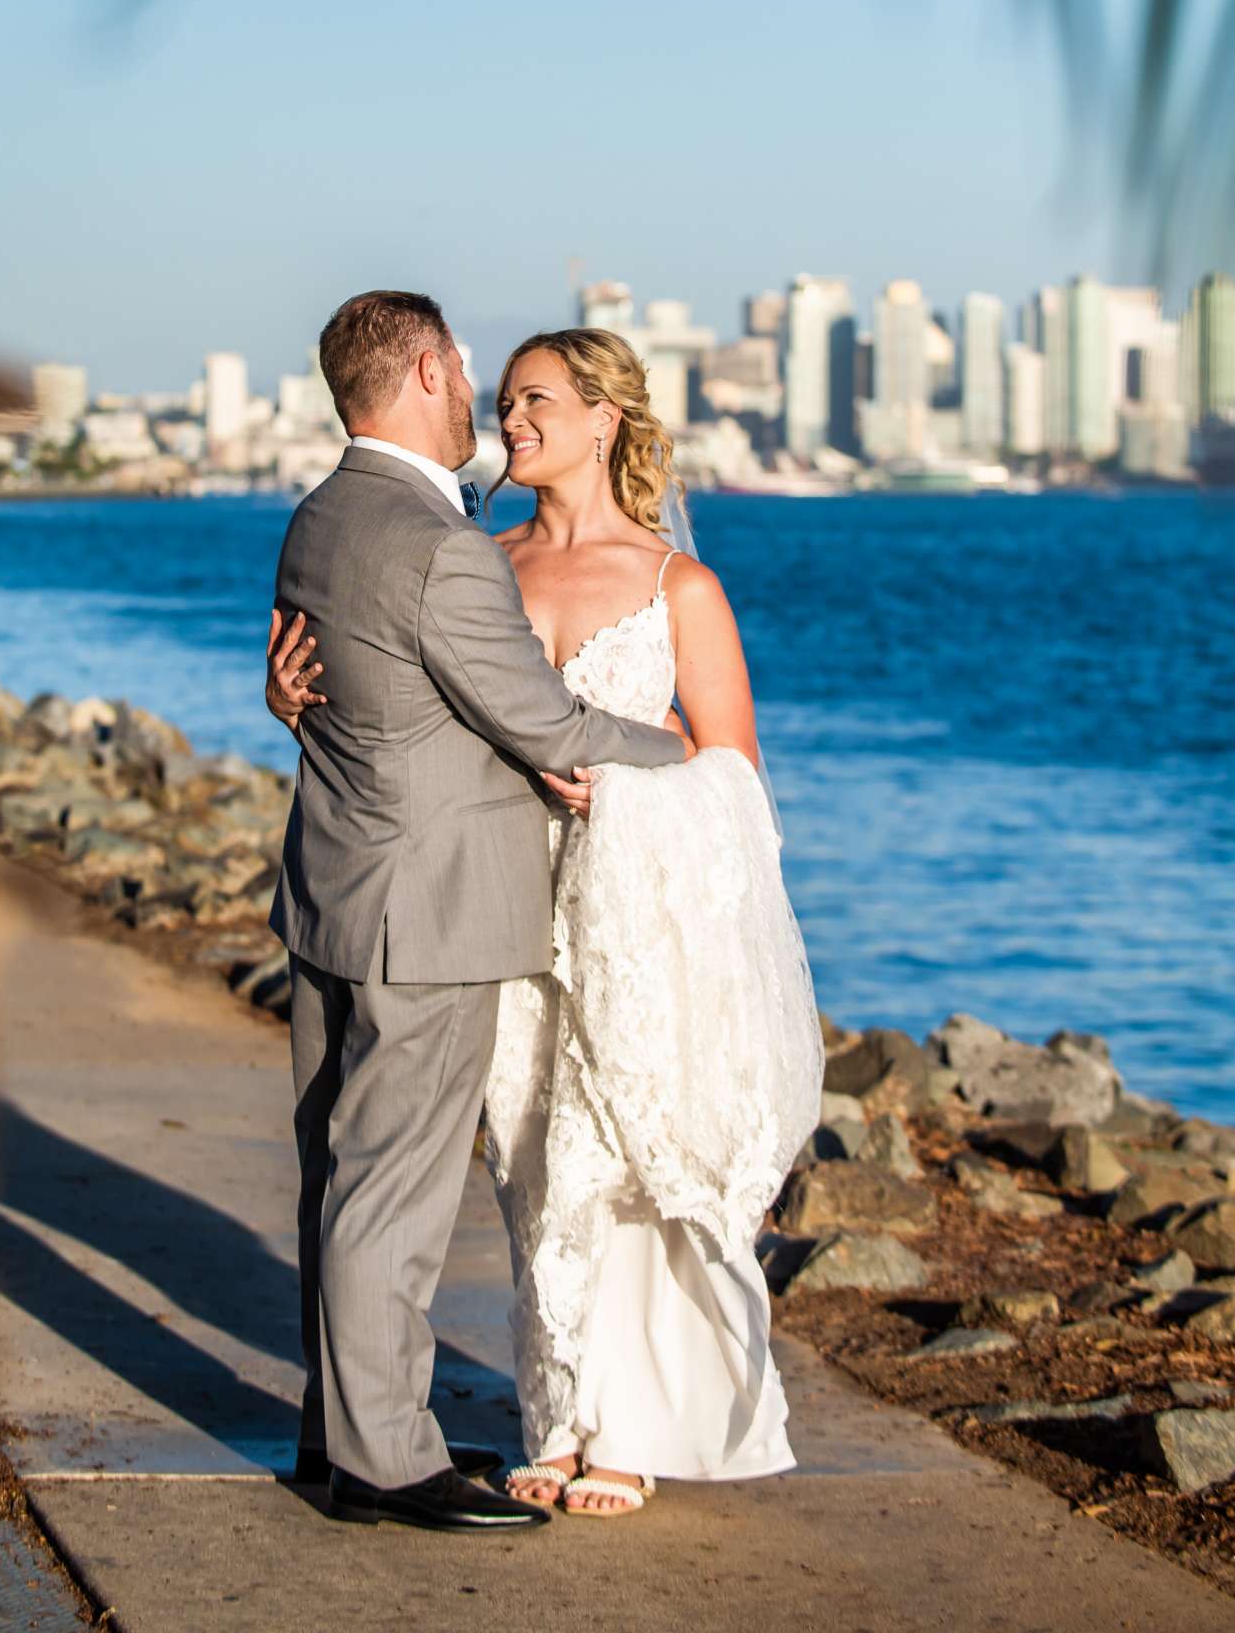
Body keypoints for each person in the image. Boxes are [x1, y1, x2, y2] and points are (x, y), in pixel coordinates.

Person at [270, 321, 825, 1523]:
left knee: (616, 1149)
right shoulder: (477, 556)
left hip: (627, 913)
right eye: (502, 398)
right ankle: (552, 1414)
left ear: (602, 421)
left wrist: (638, 780)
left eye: (534, 403)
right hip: (495, 908)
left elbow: (729, 770)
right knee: (534, 1164)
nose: (510, 420)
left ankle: (621, 1423)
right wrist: (295, 701)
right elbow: (405, 689)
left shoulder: (681, 586)